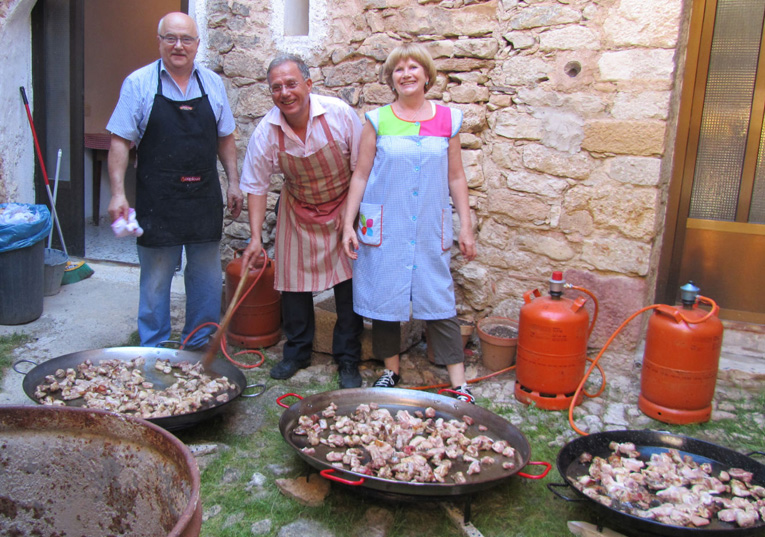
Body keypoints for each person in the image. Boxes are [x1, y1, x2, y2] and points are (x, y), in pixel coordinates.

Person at [341, 43, 478, 403]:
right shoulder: (377, 120)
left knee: (438, 296)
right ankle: (391, 370)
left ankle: (459, 383)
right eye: (398, 69)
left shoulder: (448, 120)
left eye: (413, 67)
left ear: (427, 75)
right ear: (391, 79)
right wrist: (347, 225)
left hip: (429, 224)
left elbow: (456, 177)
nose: (406, 74)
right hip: (386, 225)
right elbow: (360, 174)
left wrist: (466, 225)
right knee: (385, 295)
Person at [106, 12, 242, 349]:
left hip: (203, 197)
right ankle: (152, 347)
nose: (178, 45)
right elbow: (120, 141)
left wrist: (234, 182)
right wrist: (117, 193)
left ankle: (198, 343)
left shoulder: (212, 84)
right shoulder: (138, 83)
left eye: (186, 39)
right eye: (171, 38)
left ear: (197, 44)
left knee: (205, 277)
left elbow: (225, 138)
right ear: (160, 42)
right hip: (158, 198)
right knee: (156, 277)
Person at [239, 54, 364, 389]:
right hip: (298, 208)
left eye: (291, 84)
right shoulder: (266, 132)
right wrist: (255, 238)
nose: (285, 93)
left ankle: (348, 358)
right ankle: (297, 352)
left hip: (343, 206)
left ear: (308, 84)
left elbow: (362, 168)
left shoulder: (339, 114)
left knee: (348, 287)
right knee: (293, 285)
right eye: (276, 87)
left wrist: (350, 214)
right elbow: (255, 185)